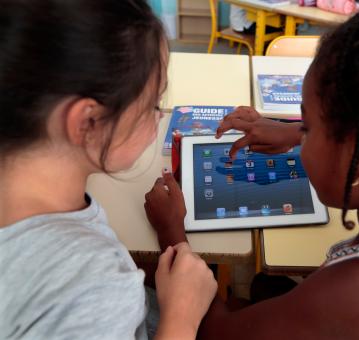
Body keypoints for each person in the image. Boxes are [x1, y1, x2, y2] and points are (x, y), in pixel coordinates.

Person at [145, 1, 359, 339]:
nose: (301, 137)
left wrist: (173, 234)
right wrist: (289, 132)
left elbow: (213, 334)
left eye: (308, 126)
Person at [0, 1, 217, 339]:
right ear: (87, 122)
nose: (160, 117)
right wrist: (182, 315)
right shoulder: (91, 285)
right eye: (153, 105)